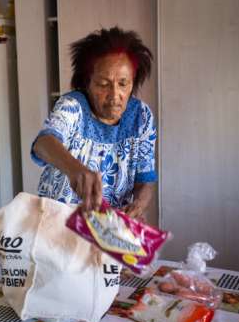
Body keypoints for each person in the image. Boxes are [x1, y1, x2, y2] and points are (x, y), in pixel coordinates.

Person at [31, 27, 156, 220]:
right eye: (103, 84)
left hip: (108, 228)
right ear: (87, 82)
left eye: (123, 84)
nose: (115, 95)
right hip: (58, 224)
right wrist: (76, 170)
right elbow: (43, 144)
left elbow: (145, 179)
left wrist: (138, 205)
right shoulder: (73, 107)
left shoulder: (141, 116)